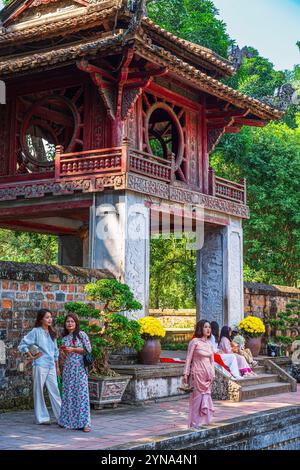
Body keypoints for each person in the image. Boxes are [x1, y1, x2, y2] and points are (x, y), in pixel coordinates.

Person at [18, 309, 61, 425]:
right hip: (40, 365)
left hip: (51, 365)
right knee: (39, 392)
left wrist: (57, 367)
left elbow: (56, 352)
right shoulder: (36, 331)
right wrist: (31, 355)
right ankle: (42, 418)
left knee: (55, 391)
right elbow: (22, 344)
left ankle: (61, 417)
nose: (50, 319)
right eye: (47, 317)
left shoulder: (52, 332)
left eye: (50, 317)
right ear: (41, 319)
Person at [58, 313, 92, 432]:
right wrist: (62, 352)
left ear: (76, 323)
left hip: (80, 368)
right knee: (69, 395)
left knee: (81, 395)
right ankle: (68, 421)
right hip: (68, 369)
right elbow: (63, 356)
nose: (70, 323)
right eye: (68, 321)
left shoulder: (81, 335)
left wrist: (73, 349)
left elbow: (88, 350)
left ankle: (85, 423)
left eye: (72, 321)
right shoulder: (65, 338)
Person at [182, 319, 215, 428]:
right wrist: (185, 374)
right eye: (205, 327)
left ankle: (204, 424)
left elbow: (212, 361)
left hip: (208, 377)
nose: (208, 329)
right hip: (197, 375)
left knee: (206, 401)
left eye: (209, 327)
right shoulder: (195, 342)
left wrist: (213, 374)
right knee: (197, 402)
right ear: (200, 328)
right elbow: (188, 358)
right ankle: (194, 426)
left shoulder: (210, 344)